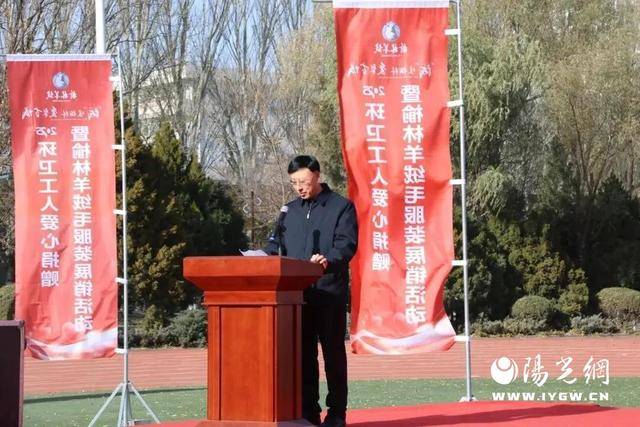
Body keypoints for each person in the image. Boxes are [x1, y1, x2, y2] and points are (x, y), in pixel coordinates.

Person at [264, 155, 358, 427]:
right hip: (297, 296)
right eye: (294, 183)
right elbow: (274, 246)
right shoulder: (289, 211)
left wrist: (328, 260)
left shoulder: (341, 207)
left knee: (332, 355)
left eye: (303, 182)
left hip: (328, 293)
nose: (299, 188)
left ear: (317, 175)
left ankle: (337, 413)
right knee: (304, 356)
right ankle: (309, 412)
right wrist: (261, 258)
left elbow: (346, 245)